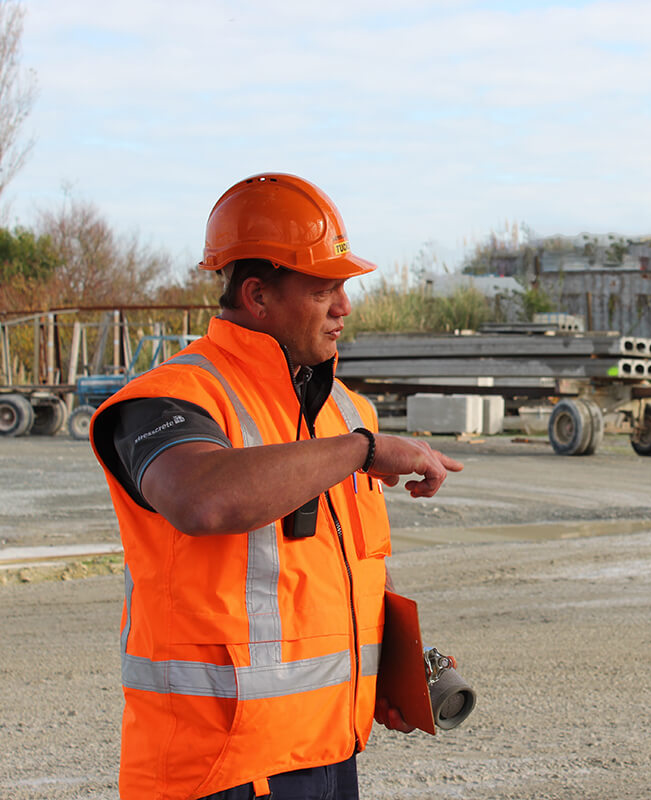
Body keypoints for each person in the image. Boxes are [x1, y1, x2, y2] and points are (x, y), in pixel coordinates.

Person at [89, 173, 464, 800]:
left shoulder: (344, 411)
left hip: (328, 753)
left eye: (343, 286)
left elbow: (347, 566)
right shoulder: (170, 399)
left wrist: (389, 669)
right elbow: (202, 499)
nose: (344, 306)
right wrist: (362, 452)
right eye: (324, 289)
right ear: (258, 296)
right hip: (213, 772)